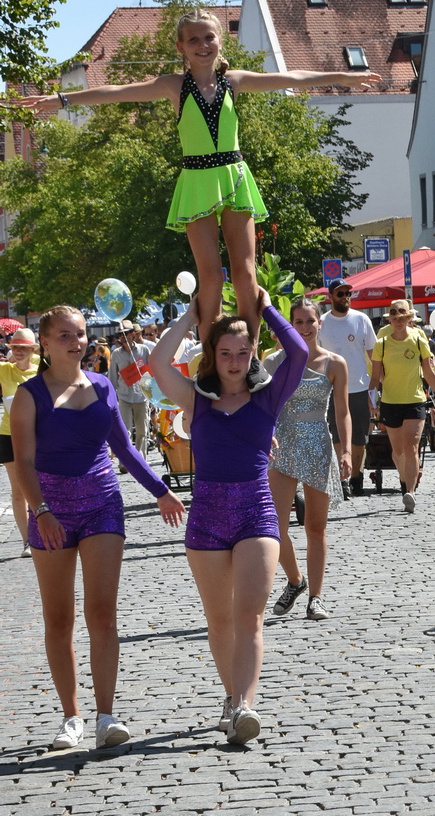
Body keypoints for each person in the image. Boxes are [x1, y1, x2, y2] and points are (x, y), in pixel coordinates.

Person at [18, 10, 380, 343]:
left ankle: (248, 350)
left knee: (245, 273)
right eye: (194, 40)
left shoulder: (234, 81)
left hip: (234, 177)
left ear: (220, 41)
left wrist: (344, 77)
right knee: (210, 276)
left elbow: (292, 77)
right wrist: (63, 99)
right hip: (196, 179)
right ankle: (212, 351)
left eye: (209, 37)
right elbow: (116, 93)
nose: (203, 45)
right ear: (181, 47)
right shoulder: (172, 85)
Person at [9, 306, 185, 750]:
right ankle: (71, 717)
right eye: (65, 335)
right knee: (59, 619)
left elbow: (124, 449)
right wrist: (41, 510)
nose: (76, 341)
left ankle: (107, 715)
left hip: (103, 503)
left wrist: (161, 490)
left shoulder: (104, 384)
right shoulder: (29, 396)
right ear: (45, 344)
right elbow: (23, 462)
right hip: (52, 510)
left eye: (81, 333)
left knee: (103, 614)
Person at [148, 290, 308, 743]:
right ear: (212, 357)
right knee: (218, 620)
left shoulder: (267, 399)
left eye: (243, 353)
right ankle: (231, 696)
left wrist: (265, 309)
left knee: (250, 617)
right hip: (207, 518)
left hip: (257, 512)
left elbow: (297, 352)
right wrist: (191, 315)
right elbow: (159, 365)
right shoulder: (197, 402)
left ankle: (243, 706)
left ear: (253, 355)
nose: (235, 361)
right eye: (225, 353)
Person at [267, 298, 351, 622]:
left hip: (318, 444)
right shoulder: (274, 362)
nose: (304, 328)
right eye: (297, 322)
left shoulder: (334, 363)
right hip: (283, 443)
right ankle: (295, 580)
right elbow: (262, 405)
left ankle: (315, 597)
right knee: (275, 525)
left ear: (319, 324)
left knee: (315, 528)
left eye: (309, 321)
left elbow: (342, 411)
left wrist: (346, 451)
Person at [368, 300, 435, 513]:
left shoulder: (419, 340)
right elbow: (375, 377)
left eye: (402, 318)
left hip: (415, 400)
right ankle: (405, 480)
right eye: (394, 318)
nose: (398, 322)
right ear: (389, 320)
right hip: (391, 401)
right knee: (398, 451)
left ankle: (410, 491)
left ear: (409, 319)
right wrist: (371, 398)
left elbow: (428, 370)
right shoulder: (381, 343)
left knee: (411, 447)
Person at [319, 280, 376, 495]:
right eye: (340, 293)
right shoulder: (322, 322)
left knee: (359, 435)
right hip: (330, 388)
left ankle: (356, 475)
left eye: (348, 293)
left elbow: (373, 355)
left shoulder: (361, 320)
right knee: (336, 433)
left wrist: (375, 385)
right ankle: (343, 478)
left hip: (358, 386)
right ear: (331, 296)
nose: (345, 297)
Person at [0, 327, 39, 555]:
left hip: (38, 436)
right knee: (18, 492)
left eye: (23, 348)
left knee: (43, 486)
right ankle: (28, 541)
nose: (19, 351)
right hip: (8, 435)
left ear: (32, 349)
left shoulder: (42, 371)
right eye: (15, 347)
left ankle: (46, 531)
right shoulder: (4, 370)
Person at [109, 324, 152, 456]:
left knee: (142, 432)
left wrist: (153, 395)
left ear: (133, 334)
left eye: (125, 333)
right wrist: (112, 399)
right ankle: (126, 461)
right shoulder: (116, 354)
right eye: (120, 334)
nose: (122, 337)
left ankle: (141, 460)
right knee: (125, 431)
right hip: (124, 397)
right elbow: (112, 377)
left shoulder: (144, 350)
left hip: (142, 396)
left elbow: (151, 373)